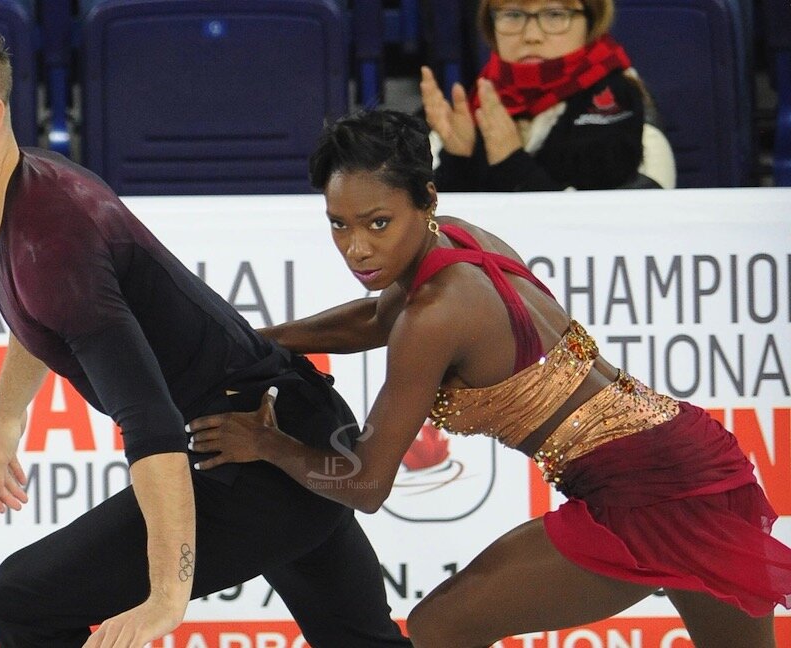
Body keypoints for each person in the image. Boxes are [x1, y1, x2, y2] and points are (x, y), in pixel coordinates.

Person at [0, 17, 412, 648]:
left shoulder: (51, 236)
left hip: (253, 458)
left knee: (23, 602)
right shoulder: (22, 196)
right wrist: (4, 419)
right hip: (284, 427)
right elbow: (39, 314)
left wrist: (167, 597)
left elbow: (152, 426)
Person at [188, 108, 791, 647]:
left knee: (439, 627)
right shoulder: (459, 238)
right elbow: (376, 317)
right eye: (339, 225)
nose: (357, 248)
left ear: (425, 198)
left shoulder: (433, 317)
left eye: (376, 223)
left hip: (645, 494)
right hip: (700, 458)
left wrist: (267, 444)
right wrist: (265, 338)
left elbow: (368, 485)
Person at [420, 0, 675, 191]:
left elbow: (595, 228)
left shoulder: (614, 97)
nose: (531, 36)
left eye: (554, 14)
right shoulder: (480, 98)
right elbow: (447, 231)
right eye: (512, 15)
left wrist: (510, 161)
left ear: (591, 20)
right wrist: (458, 157)